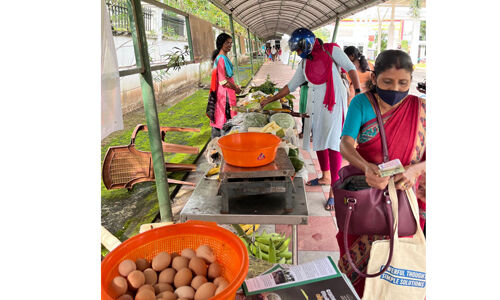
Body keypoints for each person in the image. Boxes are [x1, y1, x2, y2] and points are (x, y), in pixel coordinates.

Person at [336, 49, 426, 297]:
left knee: (404, 267)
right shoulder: (361, 103)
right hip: (369, 197)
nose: (395, 89)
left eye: (403, 83)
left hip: (408, 200)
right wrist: (367, 168)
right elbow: (345, 143)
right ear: (374, 78)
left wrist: (415, 169)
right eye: (387, 82)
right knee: (360, 268)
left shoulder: (422, 110)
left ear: (411, 81)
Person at [260, 28, 361, 211]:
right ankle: (325, 176)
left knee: (332, 145)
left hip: (334, 105)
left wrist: (359, 93)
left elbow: (351, 68)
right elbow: (291, 86)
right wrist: (271, 99)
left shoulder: (331, 50)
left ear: (306, 43)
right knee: (320, 142)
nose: (298, 54)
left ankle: (333, 191)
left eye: (299, 50)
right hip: (316, 107)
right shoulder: (305, 63)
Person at [209, 33, 242, 139]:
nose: (229, 45)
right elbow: (223, 81)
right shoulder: (221, 58)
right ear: (221, 43)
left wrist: (235, 86)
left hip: (225, 93)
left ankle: (220, 144)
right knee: (226, 120)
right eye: (227, 43)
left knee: (221, 117)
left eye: (231, 43)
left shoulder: (221, 57)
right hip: (225, 95)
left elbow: (226, 78)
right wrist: (236, 88)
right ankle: (225, 143)